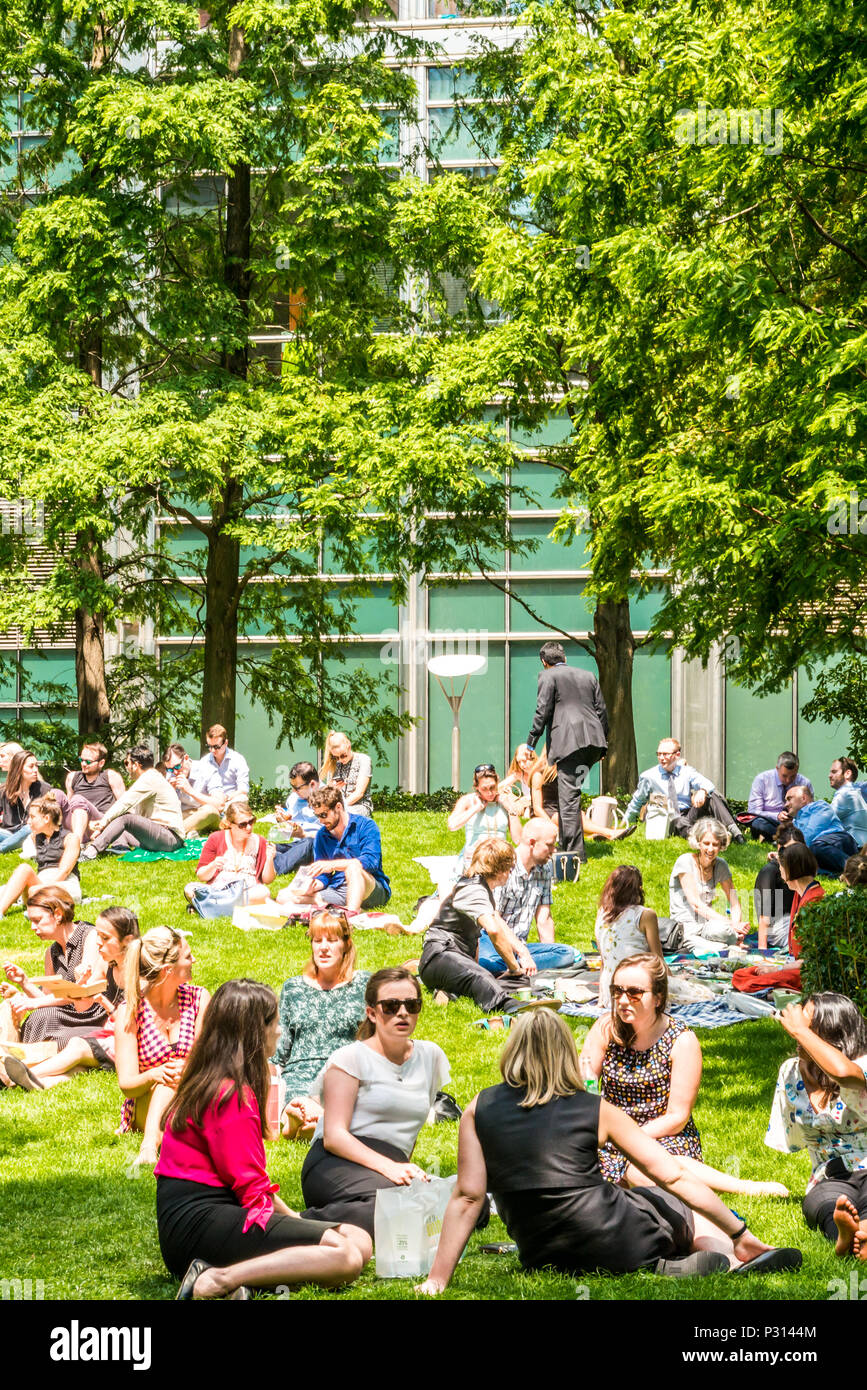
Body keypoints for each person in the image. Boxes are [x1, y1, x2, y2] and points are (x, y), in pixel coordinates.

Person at [416, 1009, 801, 1293]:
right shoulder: (595, 1109)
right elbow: (673, 1173)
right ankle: (732, 1258)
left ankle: (672, 1263)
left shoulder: (477, 1108)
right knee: (667, 1197)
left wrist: (437, 1280)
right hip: (616, 1237)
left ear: (511, 1050)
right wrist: (739, 1230)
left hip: (540, 1251)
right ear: (565, 1052)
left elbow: (467, 1197)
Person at [155, 978, 371, 1299]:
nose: (280, 1031)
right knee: (346, 1255)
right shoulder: (231, 1095)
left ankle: (243, 1281)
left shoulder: (207, 1080)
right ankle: (218, 1279)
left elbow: (250, 1186)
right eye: (274, 1022)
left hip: (188, 1226)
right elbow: (253, 1192)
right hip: (201, 1226)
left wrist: (297, 1221)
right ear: (255, 1030)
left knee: (358, 1238)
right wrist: (298, 1226)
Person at [581, 955, 787, 1197]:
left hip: (663, 1134)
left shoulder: (681, 1040)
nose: (623, 1000)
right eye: (617, 991)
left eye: (635, 993)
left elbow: (676, 1117)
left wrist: (629, 1139)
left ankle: (744, 1187)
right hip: (610, 1135)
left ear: (658, 998)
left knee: (644, 1167)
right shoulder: (606, 1028)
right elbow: (583, 1086)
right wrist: (591, 1093)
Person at [299, 967, 450, 1238]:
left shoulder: (431, 1056)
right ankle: (297, 1222)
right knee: (401, 1207)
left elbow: (409, 1131)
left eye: (411, 1005)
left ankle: (356, 1211)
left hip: (391, 1166)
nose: (402, 1013)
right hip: (336, 1161)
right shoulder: (349, 1059)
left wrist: (402, 1171)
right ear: (372, 1012)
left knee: (468, 1205)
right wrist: (390, 1169)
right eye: (391, 1006)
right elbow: (334, 1136)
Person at [765, 995, 867, 1258]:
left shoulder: (863, 1065)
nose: (797, 1034)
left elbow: (843, 1073)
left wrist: (799, 1031)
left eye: (808, 1028)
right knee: (822, 1203)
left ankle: (859, 1235)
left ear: (833, 1035)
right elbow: (795, 1139)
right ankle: (847, 1236)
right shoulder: (791, 1072)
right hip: (831, 1176)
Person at [2, 907, 140, 1091]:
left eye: (105, 938)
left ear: (128, 941)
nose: (98, 943)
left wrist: (103, 1002)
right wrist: (81, 983)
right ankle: (37, 1082)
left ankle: (11, 1077)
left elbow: (133, 1023)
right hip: (110, 1032)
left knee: (76, 1045)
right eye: (98, 936)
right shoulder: (103, 963)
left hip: (128, 1038)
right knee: (77, 1065)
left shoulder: (141, 972)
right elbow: (82, 1006)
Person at [115, 926, 210, 1168]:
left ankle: (151, 1144)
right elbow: (127, 1085)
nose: (194, 960)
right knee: (165, 1080)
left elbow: (205, 1060)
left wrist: (183, 1069)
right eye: (188, 957)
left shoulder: (199, 998)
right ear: (169, 970)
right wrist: (155, 1074)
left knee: (176, 1078)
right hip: (144, 1101)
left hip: (191, 1092)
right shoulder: (130, 1010)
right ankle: (150, 1141)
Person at [272, 911, 370, 1140]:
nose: (323, 948)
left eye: (332, 940)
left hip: (343, 1072)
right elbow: (280, 1047)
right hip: (300, 1074)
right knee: (298, 1098)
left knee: (339, 1095)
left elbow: (374, 1041)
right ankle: (307, 1120)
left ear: (346, 944)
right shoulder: (293, 988)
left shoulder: (364, 984)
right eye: (318, 941)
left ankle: (304, 1124)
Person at [419, 838, 536, 1013]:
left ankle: (449, 992)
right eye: (510, 869)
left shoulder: (481, 888)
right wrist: (513, 967)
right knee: (480, 975)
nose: (510, 873)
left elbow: (475, 939)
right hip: (438, 956)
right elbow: (494, 931)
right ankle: (507, 1005)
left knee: (518, 980)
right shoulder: (472, 889)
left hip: (455, 959)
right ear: (500, 869)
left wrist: (515, 973)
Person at [525, 640, 609, 869]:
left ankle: (572, 855)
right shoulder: (588, 675)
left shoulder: (547, 676)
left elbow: (542, 710)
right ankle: (572, 845)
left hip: (569, 743)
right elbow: (601, 710)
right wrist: (604, 745)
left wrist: (531, 742)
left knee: (568, 800)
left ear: (544, 662)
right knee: (571, 795)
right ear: (564, 658)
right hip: (593, 743)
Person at [2, 887, 108, 1045]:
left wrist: (34, 1003)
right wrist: (24, 982)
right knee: (39, 1016)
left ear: (58, 914)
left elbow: (85, 991)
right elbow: (46, 999)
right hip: (67, 1013)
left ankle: (20, 1055)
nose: (32, 927)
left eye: (37, 920)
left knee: (43, 1017)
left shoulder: (90, 936)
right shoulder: (51, 953)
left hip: (93, 1012)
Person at [477, 818, 576, 977]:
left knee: (567, 953)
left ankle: (515, 967)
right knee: (487, 962)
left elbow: (544, 917)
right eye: (550, 845)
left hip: (520, 943)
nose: (554, 851)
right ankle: (515, 965)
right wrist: (523, 953)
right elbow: (494, 918)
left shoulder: (545, 868)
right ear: (532, 843)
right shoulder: (504, 866)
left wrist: (548, 955)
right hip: (492, 940)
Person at [276, 785, 390, 912]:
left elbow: (371, 862)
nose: (320, 820)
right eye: (317, 815)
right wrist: (313, 886)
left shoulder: (366, 826)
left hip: (370, 887)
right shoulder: (322, 835)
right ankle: (334, 908)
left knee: (353, 867)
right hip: (338, 889)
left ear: (338, 807)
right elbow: (324, 876)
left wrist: (333, 865)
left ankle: (350, 915)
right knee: (284, 896)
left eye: (324, 815)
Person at [625, 737, 745, 845]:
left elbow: (707, 784)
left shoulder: (686, 772)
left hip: (688, 814)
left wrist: (702, 791)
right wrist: (625, 824)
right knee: (678, 820)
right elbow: (637, 801)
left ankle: (736, 833)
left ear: (677, 755)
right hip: (666, 817)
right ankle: (705, 836)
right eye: (659, 754)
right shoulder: (649, 776)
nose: (661, 758)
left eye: (666, 754)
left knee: (711, 795)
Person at [81, 746, 185, 857]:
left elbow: (124, 803)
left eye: (126, 763)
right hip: (160, 836)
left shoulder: (149, 778)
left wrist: (102, 824)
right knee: (117, 824)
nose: (126, 767)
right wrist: (106, 823)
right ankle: (120, 848)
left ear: (136, 765)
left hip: (170, 838)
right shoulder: (150, 777)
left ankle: (90, 852)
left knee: (125, 818)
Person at [659, 818, 744, 953]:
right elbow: (696, 904)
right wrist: (731, 924)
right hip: (685, 929)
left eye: (715, 844)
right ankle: (725, 946)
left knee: (725, 932)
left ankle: (731, 942)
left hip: (708, 927)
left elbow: (734, 901)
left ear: (721, 845)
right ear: (698, 843)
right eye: (706, 843)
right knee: (721, 949)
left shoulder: (721, 865)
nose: (710, 849)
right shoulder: (685, 861)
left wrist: (737, 928)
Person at [0, 793, 82, 918]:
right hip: (41, 883)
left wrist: (41, 889)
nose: (28, 821)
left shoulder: (70, 838)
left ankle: (32, 909)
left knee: (31, 885)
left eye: (32, 817)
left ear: (46, 818)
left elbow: (64, 872)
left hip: (64, 886)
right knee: (20, 874)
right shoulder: (36, 838)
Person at [186, 801, 276, 908]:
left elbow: (267, 880)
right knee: (190, 889)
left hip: (247, 890)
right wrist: (213, 865)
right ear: (229, 824)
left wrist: (270, 859)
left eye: (251, 821)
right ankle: (228, 905)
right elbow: (201, 876)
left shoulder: (259, 841)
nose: (248, 827)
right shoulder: (215, 838)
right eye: (242, 824)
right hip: (218, 889)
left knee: (263, 892)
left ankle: (211, 905)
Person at [595, 866, 663, 1007]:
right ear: (638, 888)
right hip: (637, 990)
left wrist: (602, 998)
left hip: (611, 993)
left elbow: (604, 961)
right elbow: (658, 960)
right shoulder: (645, 915)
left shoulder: (602, 913)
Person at [447, 764, 519, 868]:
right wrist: (476, 808)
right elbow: (452, 825)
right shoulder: (468, 800)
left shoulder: (504, 801)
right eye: (484, 789)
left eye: (492, 787)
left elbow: (518, 840)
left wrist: (511, 809)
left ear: (497, 783)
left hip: (499, 856)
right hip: (474, 857)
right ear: (477, 787)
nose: (490, 792)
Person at [780, 784, 859, 876]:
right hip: (820, 851)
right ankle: (839, 874)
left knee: (815, 848)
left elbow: (809, 835)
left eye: (789, 799)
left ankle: (856, 869)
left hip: (839, 842)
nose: (786, 804)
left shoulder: (820, 807)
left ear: (803, 798)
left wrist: (789, 850)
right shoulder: (795, 821)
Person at [752, 824, 806, 950]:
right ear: (779, 847)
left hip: (796, 920)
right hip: (777, 926)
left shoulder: (799, 869)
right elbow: (764, 917)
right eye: (789, 848)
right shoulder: (769, 872)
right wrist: (762, 950)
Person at [162, 743, 224, 839]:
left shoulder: (207, 770)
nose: (175, 772)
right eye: (170, 769)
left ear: (186, 758)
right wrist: (170, 792)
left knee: (210, 810)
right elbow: (167, 808)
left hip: (207, 816)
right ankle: (191, 832)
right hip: (185, 814)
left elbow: (220, 805)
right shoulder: (171, 774)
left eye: (177, 767)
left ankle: (171, 836)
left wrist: (190, 791)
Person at [747, 752, 813, 842]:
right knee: (758, 823)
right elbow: (753, 812)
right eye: (784, 776)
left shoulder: (805, 783)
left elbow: (810, 811)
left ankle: (778, 838)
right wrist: (776, 816)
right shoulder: (762, 780)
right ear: (777, 768)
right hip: (770, 822)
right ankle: (789, 838)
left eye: (793, 776)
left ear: (797, 770)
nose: (788, 780)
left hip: (795, 824)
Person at [271, 761, 321, 876]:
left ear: (312, 784)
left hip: (318, 845)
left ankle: (276, 866)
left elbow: (333, 835)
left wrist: (303, 834)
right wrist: (283, 822)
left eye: (297, 788)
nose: (294, 791)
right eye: (292, 787)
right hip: (297, 844)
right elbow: (287, 835)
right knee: (267, 846)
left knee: (310, 842)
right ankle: (269, 857)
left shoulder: (330, 797)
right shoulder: (294, 799)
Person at [778, 841, 824, 959]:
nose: (780, 871)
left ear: (789, 871)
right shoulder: (802, 894)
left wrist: (778, 969)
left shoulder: (813, 901)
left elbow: (809, 959)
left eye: (781, 867)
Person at [0, 749, 51, 854]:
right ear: (19, 769)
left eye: (36, 766)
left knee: (30, 828)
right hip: (8, 833)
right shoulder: (4, 790)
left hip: (32, 833)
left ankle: (3, 847)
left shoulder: (44, 789)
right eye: (31, 766)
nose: (36, 770)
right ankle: (11, 844)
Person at [194, 723, 250, 806]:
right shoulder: (204, 762)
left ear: (226, 743)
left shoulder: (238, 759)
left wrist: (226, 797)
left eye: (216, 747)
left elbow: (243, 789)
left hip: (232, 800)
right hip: (212, 802)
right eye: (209, 746)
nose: (212, 750)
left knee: (242, 798)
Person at [65, 742, 126, 819]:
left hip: (103, 820)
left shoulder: (111, 776)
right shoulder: (72, 777)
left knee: (78, 799)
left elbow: (124, 804)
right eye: (81, 760)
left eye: (88, 762)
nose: (83, 764)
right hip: (79, 821)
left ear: (101, 763)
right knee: (57, 794)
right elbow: (68, 808)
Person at [320, 731, 373, 818]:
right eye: (336, 757)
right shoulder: (334, 764)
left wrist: (338, 807)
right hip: (337, 806)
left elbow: (359, 793)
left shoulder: (363, 760)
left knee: (338, 815)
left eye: (343, 755)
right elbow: (328, 793)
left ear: (349, 745)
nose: (340, 760)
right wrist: (332, 789)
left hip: (360, 806)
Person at [829, 757, 867, 848]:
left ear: (847, 774)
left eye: (834, 772)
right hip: (861, 846)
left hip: (857, 849)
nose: (829, 775)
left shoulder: (845, 793)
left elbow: (825, 817)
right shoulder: (855, 791)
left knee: (819, 845)